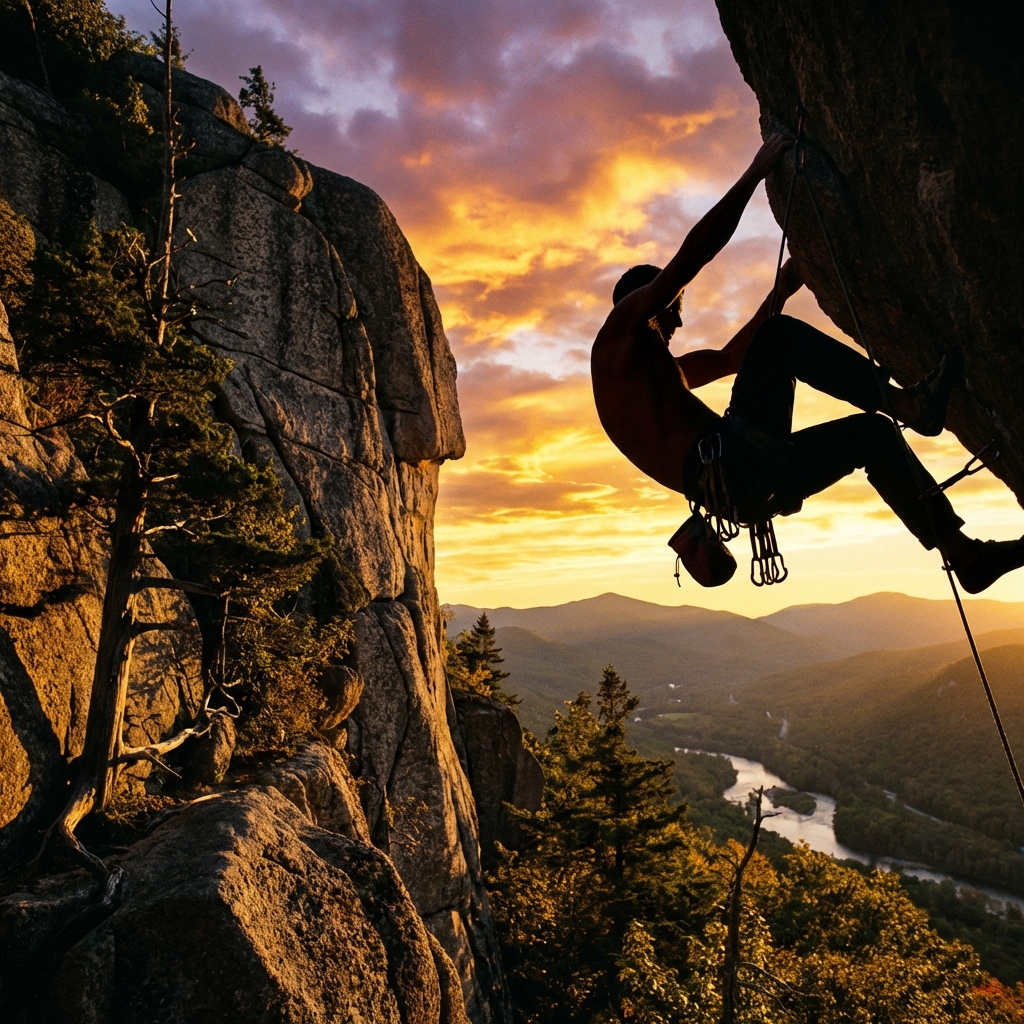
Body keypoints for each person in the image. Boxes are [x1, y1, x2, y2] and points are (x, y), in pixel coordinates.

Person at [591, 133, 1024, 593]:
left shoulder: (646, 376)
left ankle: (965, 556)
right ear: (642, 303)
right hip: (737, 464)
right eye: (673, 308)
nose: (679, 320)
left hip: (747, 490)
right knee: (778, 338)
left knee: (873, 436)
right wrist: (756, 173)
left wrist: (782, 288)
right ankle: (910, 406)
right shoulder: (620, 332)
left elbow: (733, 357)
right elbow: (693, 255)